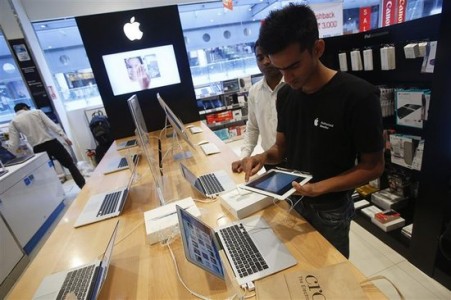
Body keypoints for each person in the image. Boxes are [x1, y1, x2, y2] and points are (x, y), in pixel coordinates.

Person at [235, 4, 384, 258]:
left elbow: (373, 166)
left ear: (317, 49)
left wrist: (319, 188)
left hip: (331, 208)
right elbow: (281, 148)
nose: (287, 77)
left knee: (332, 277)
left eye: (293, 66)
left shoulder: (358, 96)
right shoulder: (285, 95)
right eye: (280, 69)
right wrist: (262, 157)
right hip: (292, 199)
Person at [231, 40, 285, 172]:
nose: (266, 62)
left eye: (269, 56)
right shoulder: (254, 91)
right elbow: (252, 128)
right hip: (269, 161)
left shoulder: (293, 86)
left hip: (296, 160)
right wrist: (244, 157)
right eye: (260, 58)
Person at [7, 103, 86, 189]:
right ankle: (83, 186)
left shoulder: (13, 122)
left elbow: (14, 143)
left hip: (38, 148)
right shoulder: (37, 112)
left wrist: (9, 156)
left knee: (48, 172)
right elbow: (51, 125)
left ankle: (58, 194)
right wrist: (64, 137)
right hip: (52, 143)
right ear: (25, 108)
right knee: (70, 165)